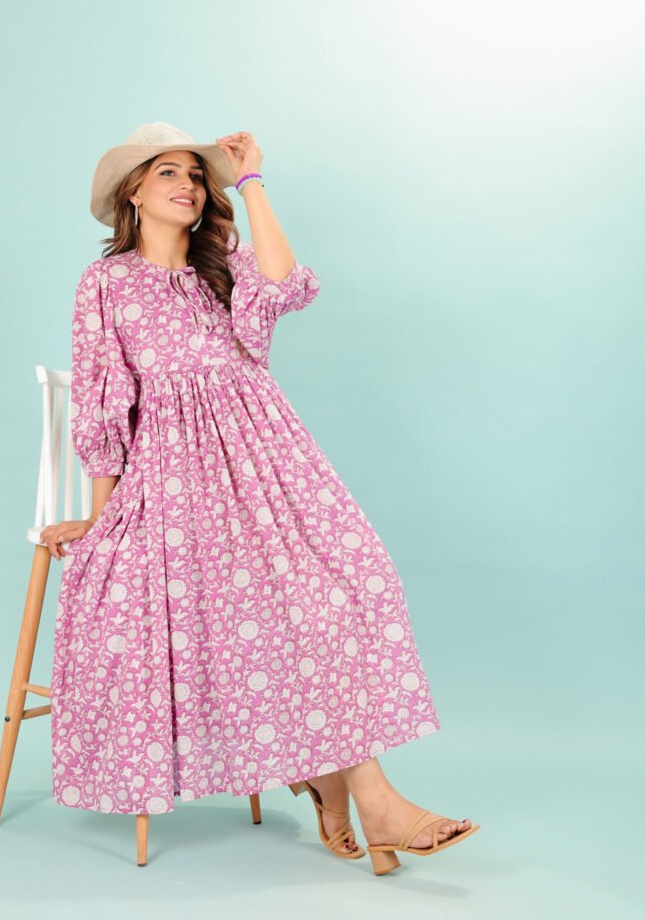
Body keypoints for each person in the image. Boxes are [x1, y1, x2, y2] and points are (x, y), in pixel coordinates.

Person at [41, 122, 479, 876]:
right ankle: (370, 800)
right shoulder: (107, 283)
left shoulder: (226, 266)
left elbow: (287, 282)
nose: (188, 185)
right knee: (271, 605)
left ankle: (335, 782)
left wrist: (251, 181)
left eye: (196, 177)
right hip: (175, 478)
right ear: (134, 192)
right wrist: (102, 509)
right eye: (169, 173)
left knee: (346, 581)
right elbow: (104, 401)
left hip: (268, 458)